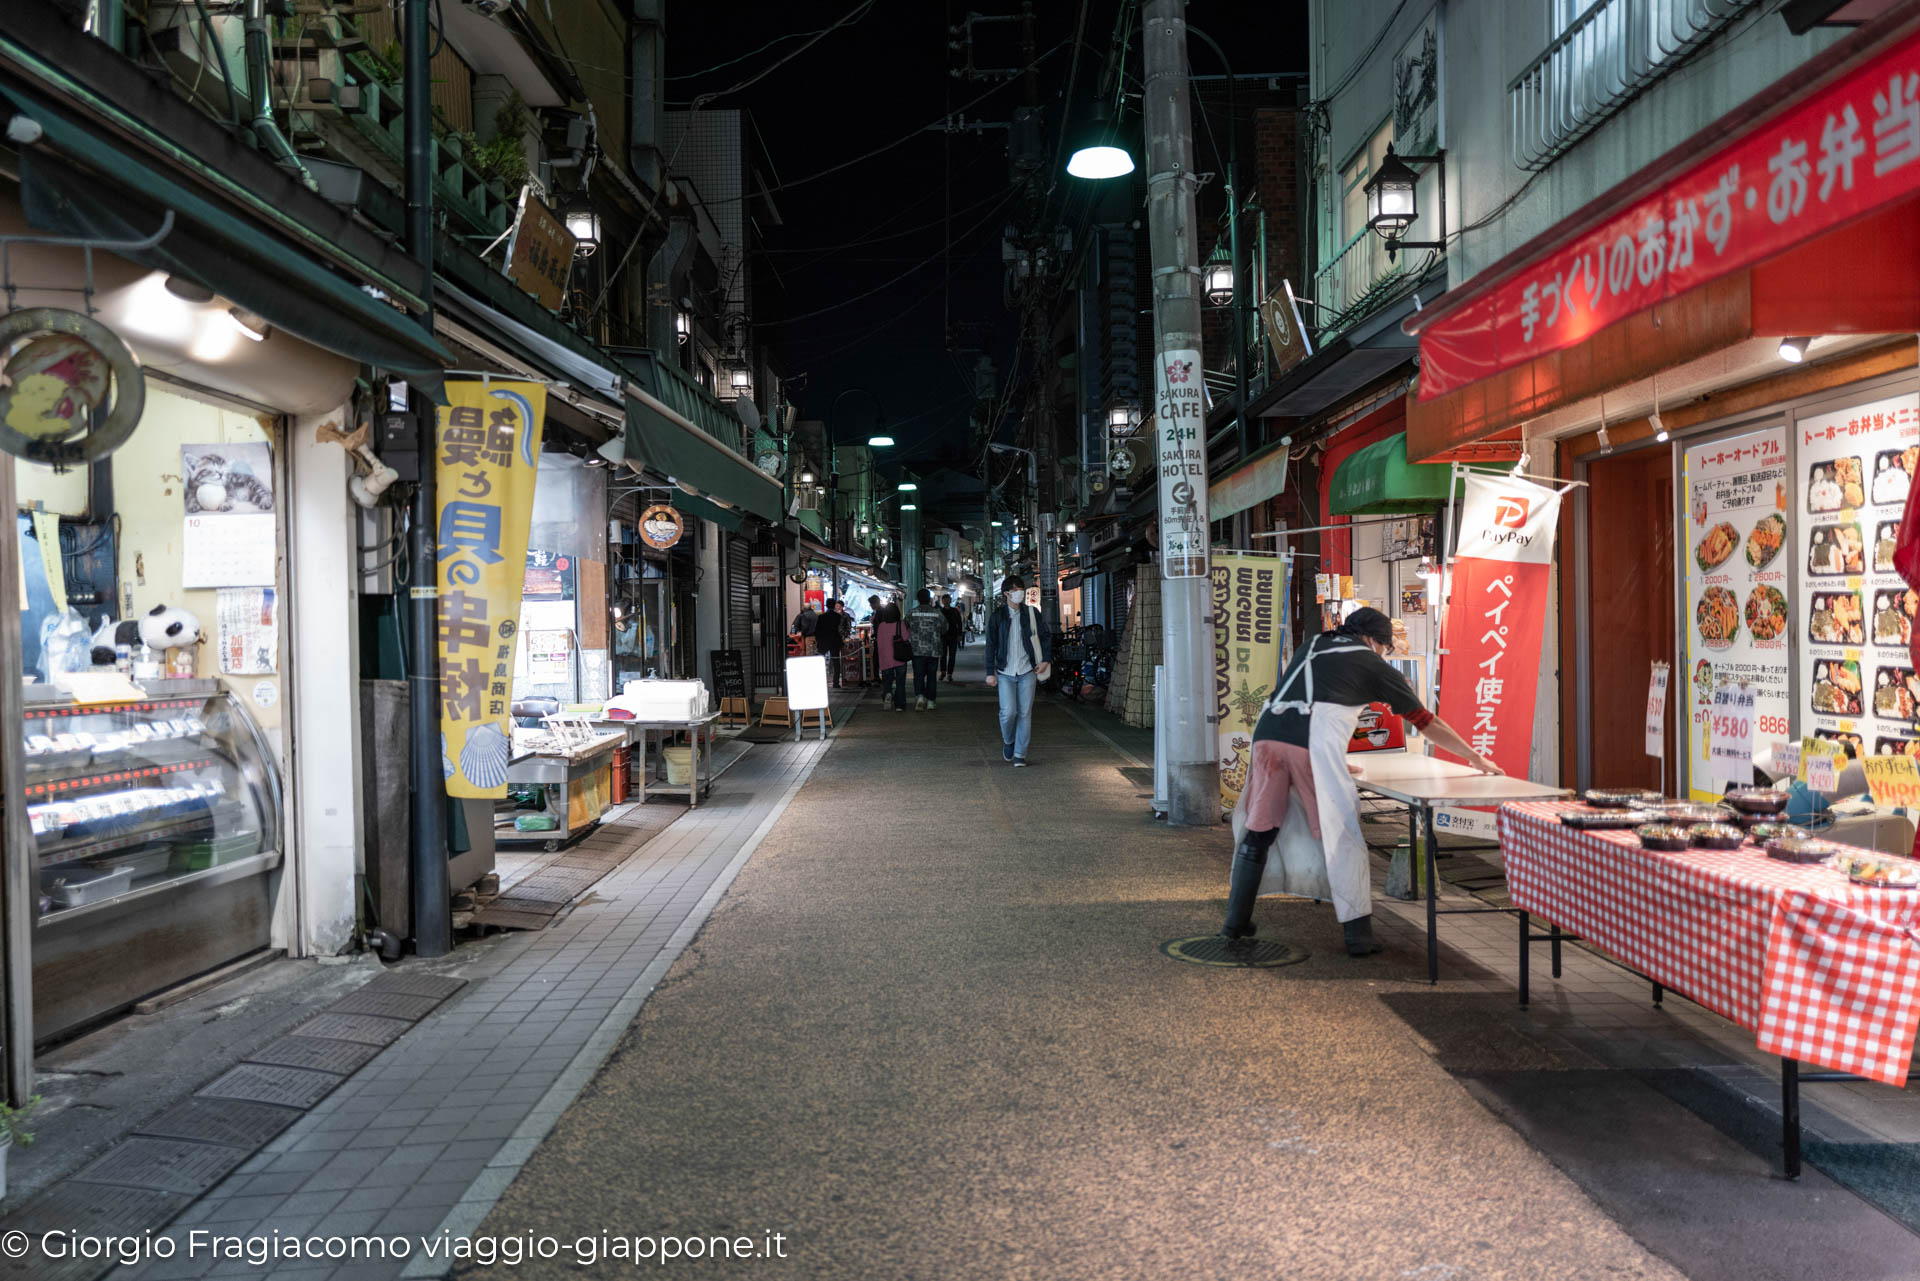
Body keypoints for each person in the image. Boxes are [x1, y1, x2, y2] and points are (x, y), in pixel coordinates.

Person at [1220, 607, 1501, 957]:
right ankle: (1358, 938)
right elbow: (1426, 721)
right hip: (1310, 746)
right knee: (1343, 834)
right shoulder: (1372, 663)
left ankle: (1235, 922)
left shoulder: (1313, 645)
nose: (1385, 653)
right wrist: (1475, 757)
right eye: (1386, 647)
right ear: (1372, 640)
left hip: (1267, 738)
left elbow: (1306, 703)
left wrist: (1331, 760)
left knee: (1260, 830)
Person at [984, 575, 1050, 766]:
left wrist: (1046, 660)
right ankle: (1009, 741)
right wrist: (990, 672)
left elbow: (1045, 636)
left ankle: (1020, 754)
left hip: (1028, 670)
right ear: (1006, 593)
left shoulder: (1031, 613)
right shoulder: (998, 616)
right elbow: (990, 645)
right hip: (1005, 672)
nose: (1019, 593)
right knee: (1008, 713)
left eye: (1021, 589)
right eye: (1015, 590)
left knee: (1025, 713)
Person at [907, 589, 946, 710]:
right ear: (929, 599)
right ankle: (931, 701)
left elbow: (905, 626)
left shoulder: (911, 613)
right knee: (931, 676)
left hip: (917, 650)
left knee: (918, 675)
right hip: (933, 650)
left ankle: (919, 697)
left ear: (918, 599)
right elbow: (945, 628)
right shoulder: (937, 613)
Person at [874, 602, 910, 711]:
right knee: (900, 682)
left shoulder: (881, 626)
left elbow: (879, 642)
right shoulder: (901, 624)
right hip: (899, 657)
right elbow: (906, 637)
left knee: (887, 681)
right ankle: (899, 705)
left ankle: (888, 694)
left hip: (886, 659)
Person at [816, 598, 846, 688]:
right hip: (834, 641)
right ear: (834, 606)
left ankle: (818, 681)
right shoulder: (838, 616)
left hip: (823, 642)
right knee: (836, 662)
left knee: (820, 661)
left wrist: (818, 640)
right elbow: (840, 630)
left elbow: (817, 630)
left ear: (826, 605)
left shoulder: (821, 617)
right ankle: (835, 683)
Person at [939, 594, 963, 681]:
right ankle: (943, 672)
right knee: (942, 655)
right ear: (942, 601)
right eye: (944, 600)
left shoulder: (955, 611)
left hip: (953, 636)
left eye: (947, 599)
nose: (946, 601)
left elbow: (959, 623)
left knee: (952, 656)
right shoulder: (940, 611)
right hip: (943, 636)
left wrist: (960, 634)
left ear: (950, 600)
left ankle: (949, 673)